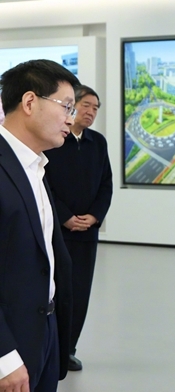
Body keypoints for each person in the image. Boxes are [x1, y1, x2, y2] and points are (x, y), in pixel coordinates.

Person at [0, 59, 76, 392]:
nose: (71, 119)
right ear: (30, 102)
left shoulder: (35, 167)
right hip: (10, 343)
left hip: (43, 330)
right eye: (66, 106)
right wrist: (3, 356)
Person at [44, 85, 113, 372]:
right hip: (58, 230)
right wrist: (64, 217)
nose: (91, 112)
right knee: (57, 291)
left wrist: (94, 216)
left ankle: (69, 349)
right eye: (86, 105)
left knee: (80, 293)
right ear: (72, 106)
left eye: (96, 108)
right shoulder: (54, 141)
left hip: (87, 233)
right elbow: (45, 184)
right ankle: (52, 349)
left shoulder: (98, 143)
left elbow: (106, 184)